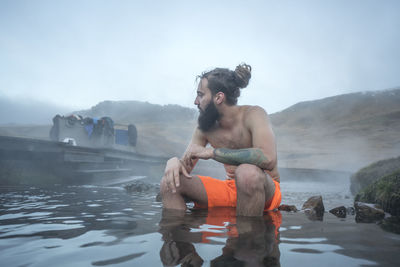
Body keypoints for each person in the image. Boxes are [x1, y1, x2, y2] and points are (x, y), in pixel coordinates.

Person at [160, 63, 281, 216]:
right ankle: (177, 234)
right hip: (230, 190)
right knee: (169, 182)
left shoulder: (254, 114)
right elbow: (185, 167)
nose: (196, 102)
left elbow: (268, 158)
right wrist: (174, 162)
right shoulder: (205, 127)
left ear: (218, 97)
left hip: (266, 192)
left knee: (246, 173)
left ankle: (247, 238)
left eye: (201, 95)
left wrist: (213, 153)